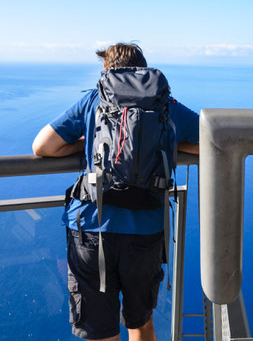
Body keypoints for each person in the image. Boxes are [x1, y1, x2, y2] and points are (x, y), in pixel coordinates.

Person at [32, 43, 199, 341]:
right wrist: (174, 142)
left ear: (107, 71)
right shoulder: (166, 106)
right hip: (145, 232)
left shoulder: (93, 101)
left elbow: (42, 146)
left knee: (99, 332)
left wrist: (83, 142)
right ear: (145, 71)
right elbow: (211, 141)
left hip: (91, 230)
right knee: (141, 323)